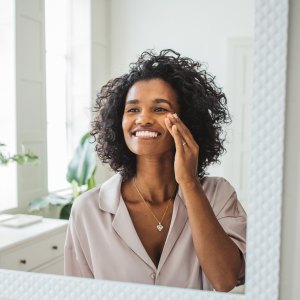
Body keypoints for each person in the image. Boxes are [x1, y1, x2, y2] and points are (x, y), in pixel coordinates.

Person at [64, 49, 246, 291]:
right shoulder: (87, 211)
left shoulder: (218, 194)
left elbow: (225, 280)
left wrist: (189, 183)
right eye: (133, 110)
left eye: (160, 109)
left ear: (187, 121)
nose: (143, 119)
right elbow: (76, 294)